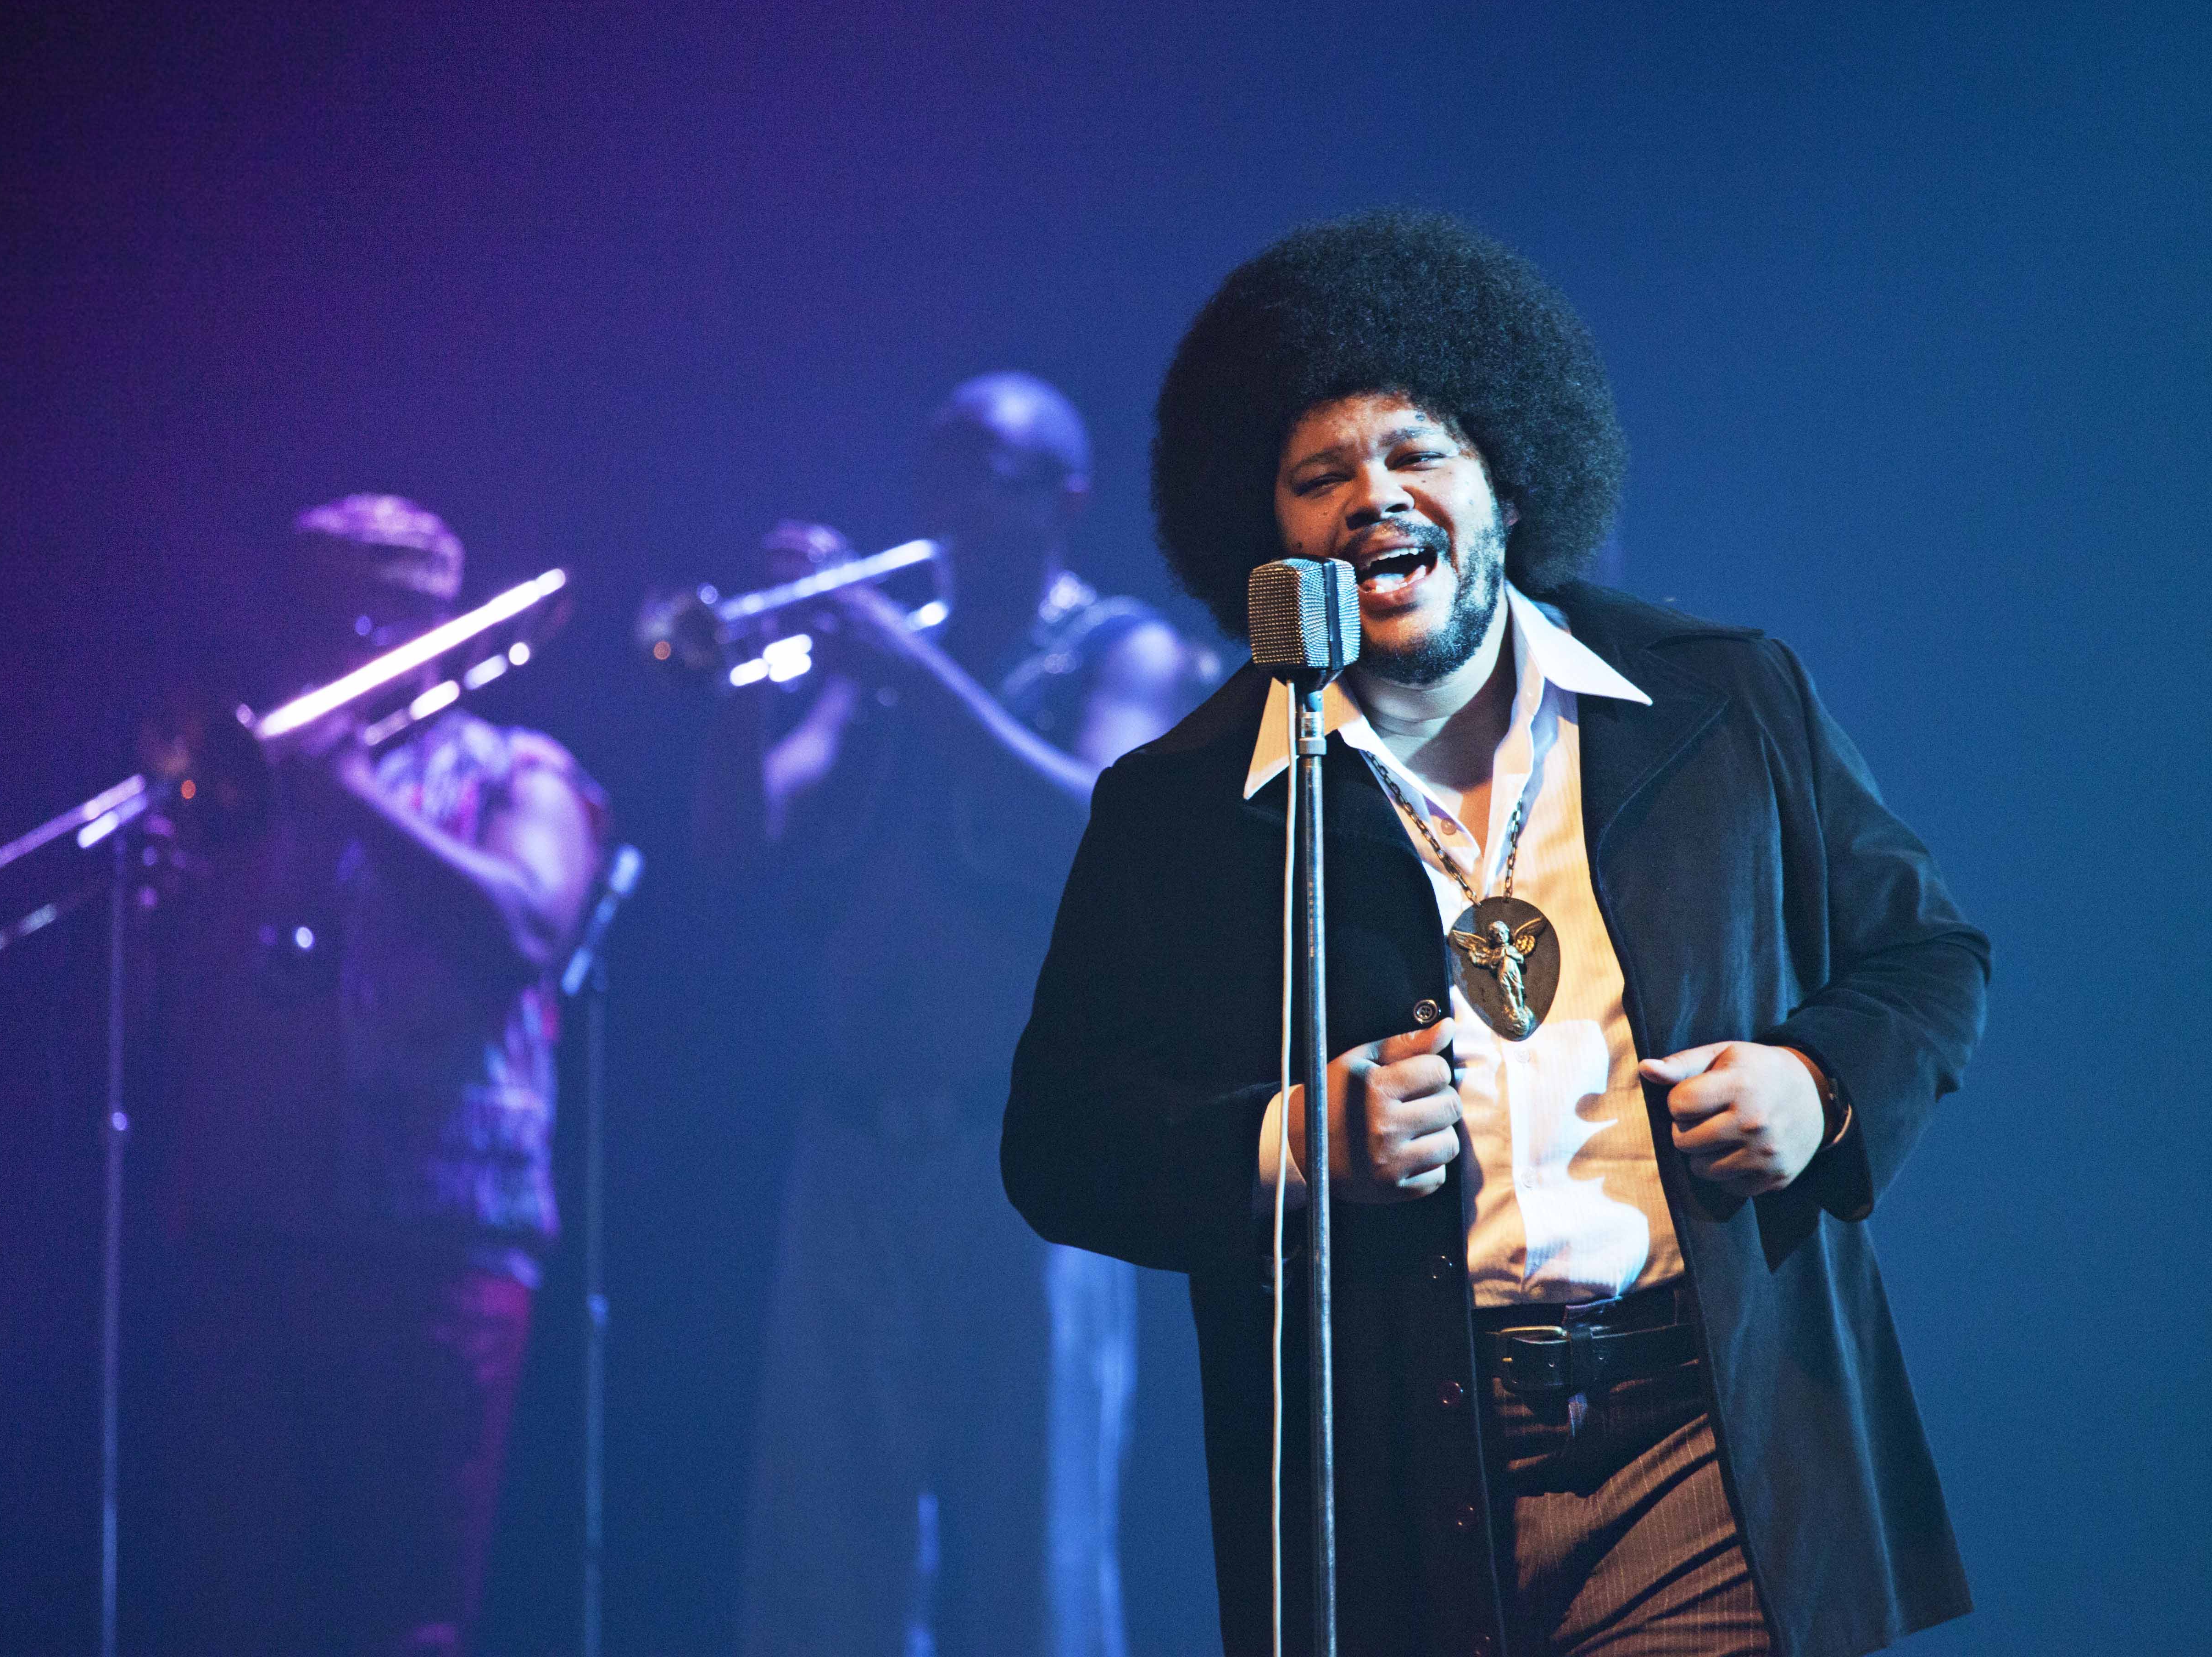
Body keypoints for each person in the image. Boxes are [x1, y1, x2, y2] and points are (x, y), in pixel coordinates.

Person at [1003, 213, 1987, 1657]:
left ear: (1509, 484)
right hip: (1390, 1485)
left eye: (1418, 453)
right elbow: (1058, 1143)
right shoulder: (1185, 809)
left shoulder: (1722, 701)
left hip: (1703, 1443)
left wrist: (1818, 1084)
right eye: (1319, 476)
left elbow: (1927, 954)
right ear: (1268, 540)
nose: (1373, 497)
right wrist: (1290, 1143)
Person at [708, 374, 1215, 1657]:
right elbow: (741, 846)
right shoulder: (887, 664)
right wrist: (740, 682)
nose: (950, 494)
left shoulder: (1123, 650)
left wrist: (911, 668)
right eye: (938, 462)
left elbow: (1100, 830)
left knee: (1032, 1539)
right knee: (824, 1544)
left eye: (985, 469)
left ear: (1065, 500)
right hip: (852, 1147)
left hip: (1029, 1157)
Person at [144, 494, 606, 1655]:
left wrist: (355, 796)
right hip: (253, 1230)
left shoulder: (518, 772)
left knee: (404, 1614)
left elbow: (528, 931)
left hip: (435, 1251)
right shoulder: (245, 790)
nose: (333, 651)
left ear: (435, 628)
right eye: (312, 621)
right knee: (238, 1612)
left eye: (367, 622)